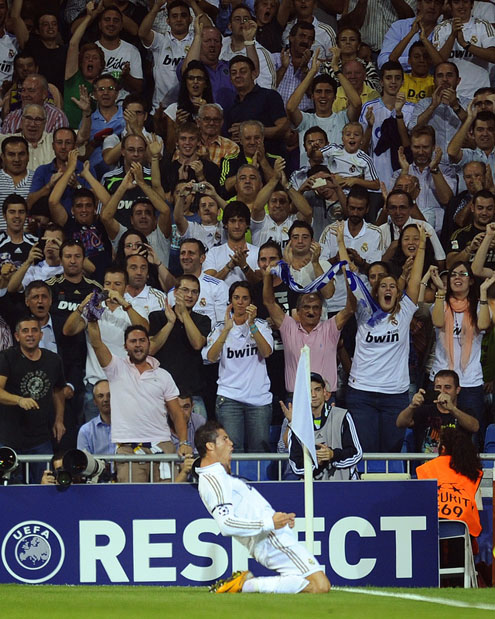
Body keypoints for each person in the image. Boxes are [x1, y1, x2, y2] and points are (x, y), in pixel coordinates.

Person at [195, 420, 331, 594]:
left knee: (313, 585)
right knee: (320, 586)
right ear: (210, 446)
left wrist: (277, 519)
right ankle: (245, 585)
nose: (231, 443)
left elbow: (247, 508)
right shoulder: (213, 479)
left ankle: (246, 584)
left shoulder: (220, 475)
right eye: (225, 439)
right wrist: (269, 523)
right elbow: (226, 524)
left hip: (271, 535)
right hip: (269, 538)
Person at [345, 224, 427, 453]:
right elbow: (349, 276)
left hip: (395, 396)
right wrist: (341, 245)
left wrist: (421, 247)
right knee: (365, 451)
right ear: (376, 290)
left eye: (392, 285)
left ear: (397, 292)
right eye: (383, 286)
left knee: (391, 451)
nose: (388, 289)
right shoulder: (363, 311)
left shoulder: (405, 311)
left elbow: (416, 279)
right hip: (362, 394)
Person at [87, 321, 193, 483]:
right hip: (128, 449)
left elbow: (176, 413)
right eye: (133, 341)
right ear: (125, 346)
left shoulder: (163, 375)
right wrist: (92, 320)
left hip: (162, 447)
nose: (138, 345)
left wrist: (184, 442)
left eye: (142, 340)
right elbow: (96, 343)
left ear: (149, 343)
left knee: (166, 501)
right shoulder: (115, 368)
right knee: (132, 503)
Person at [62, 265, 148, 422]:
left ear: (126, 287)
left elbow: (145, 330)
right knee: (95, 436)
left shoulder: (134, 308)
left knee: (126, 438)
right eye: (108, 284)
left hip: (125, 385)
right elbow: (68, 330)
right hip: (95, 386)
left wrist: (124, 304)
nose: (111, 288)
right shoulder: (94, 309)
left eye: (117, 284)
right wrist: (82, 306)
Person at [203, 281, 273, 452]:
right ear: (230, 301)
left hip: (258, 399)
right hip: (229, 398)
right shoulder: (220, 328)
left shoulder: (261, 325)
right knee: (231, 451)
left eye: (245, 298)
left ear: (251, 302)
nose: (240, 302)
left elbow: (267, 352)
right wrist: (226, 330)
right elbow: (211, 357)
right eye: (236, 298)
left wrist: (252, 325)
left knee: (260, 451)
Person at [429, 261, 494, 432]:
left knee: (470, 435)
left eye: (463, 274)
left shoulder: (481, 306)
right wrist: (440, 292)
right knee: (436, 434)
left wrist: (483, 292)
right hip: (440, 380)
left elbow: (484, 324)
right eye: (453, 274)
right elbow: (437, 322)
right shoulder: (440, 303)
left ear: (471, 281)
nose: (458, 277)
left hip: (470, 382)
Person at [0, 317, 65, 484]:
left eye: (34, 330)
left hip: (40, 438)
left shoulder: (53, 360)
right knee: (10, 491)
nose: (30, 335)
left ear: (41, 335)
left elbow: (58, 391)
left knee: (45, 486)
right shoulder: (6, 358)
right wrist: (19, 400)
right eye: (25, 331)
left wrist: (59, 420)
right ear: (16, 336)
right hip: (9, 438)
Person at [287, 49, 361, 167]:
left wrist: (336, 69)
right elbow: (290, 108)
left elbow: (357, 103)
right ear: (312, 96)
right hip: (310, 180)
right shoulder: (306, 120)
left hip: (338, 180)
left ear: (335, 96)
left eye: (328, 92)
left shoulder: (343, 118)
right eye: (318, 92)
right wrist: (312, 72)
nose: (323, 96)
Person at [149, 274, 211, 416]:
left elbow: (197, 344)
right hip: (162, 394)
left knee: (198, 437)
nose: (189, 295)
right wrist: (170, 323)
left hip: (193, 394)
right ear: (175, 292)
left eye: (194, 292)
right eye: (185, 290)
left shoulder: (203, 320)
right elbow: (151, 349)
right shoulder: (157, 317)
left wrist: (184, 314)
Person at [287, 372, 362, 480]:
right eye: (309, 391)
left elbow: (356, 453)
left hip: (345, 485)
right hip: (313, 490)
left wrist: (332, 455)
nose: (313, 395)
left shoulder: (342, 416)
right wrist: (315, 462)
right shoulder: (297, 424)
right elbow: (296, 466)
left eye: (317, 390)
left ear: (324, 392)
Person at [416, 427, 482, 538]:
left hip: (432, 531)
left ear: (443, 448)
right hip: (464, 531)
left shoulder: (425, 468)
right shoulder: (472, 471)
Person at [390, 126, 456, 233]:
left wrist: (434, 169)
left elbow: (447, 200)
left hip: (437, 232)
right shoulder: (399, 173)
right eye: (416, 147)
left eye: (425, 147)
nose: (420, 152)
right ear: (410, 147)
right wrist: (405, 172)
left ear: (433, 147)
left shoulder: (446, 171)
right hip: (405, 230)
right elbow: (393, 203)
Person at [397, 369, 479, 453]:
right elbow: (400, 423)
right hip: (429, 463)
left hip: (456, 463)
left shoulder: (464, 411)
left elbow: (474, 427)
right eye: (438, 387)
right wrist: (412, 406)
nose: (442, 391)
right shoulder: (424, 411)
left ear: (457, 390)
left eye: (447, 387)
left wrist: (452, 409)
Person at [139, 0, 194, 113]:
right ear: (168, 21)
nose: (179, 19)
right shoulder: (161, 40)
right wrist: (156, 7)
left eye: (183, 15)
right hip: (161, 109)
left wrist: (193, 3)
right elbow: (142, 33)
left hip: (190, 106)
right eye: (174, 16)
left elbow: (212, 31)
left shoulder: (196, 40)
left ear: (190, 19)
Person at [432, 0, 495, 100]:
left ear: (472, 4)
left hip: (479, 93)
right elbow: (438, 62)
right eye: (456, 2)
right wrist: (453, 35)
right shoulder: (441, 28)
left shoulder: (483, 26)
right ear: (450, 6)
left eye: (465, 2)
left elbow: (493, 56)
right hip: (449, 92)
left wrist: (465, 44)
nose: (461, 6)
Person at [408, 62, 468, 165]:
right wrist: (432, 106)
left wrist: (455, 106)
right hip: (434, 165)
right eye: (440, 75)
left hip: (463, 165)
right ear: (434, 80)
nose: (445, 79)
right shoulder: (424, 104)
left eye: (449, 75)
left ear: (458, 80)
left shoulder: (468, 104)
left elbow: (475, 129)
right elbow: (412, 129)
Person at [203, 201, 259, 286]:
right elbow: (208, 285)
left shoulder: (258, 252)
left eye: (241, 221)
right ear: (226, 224)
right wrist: (229, 266)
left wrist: (244, 266)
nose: (237, 226)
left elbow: (261, 285)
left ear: (247, 224)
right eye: (233, 221)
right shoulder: (213, 253)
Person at [1, 74, 69, 135]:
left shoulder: (57, 117)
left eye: (31, 91)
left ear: (44, 94)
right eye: (23, 90)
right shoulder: (11, 118)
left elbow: (61, 146)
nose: (25, 95)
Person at [0, 137, 33, 229]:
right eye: (11, 154)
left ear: (28, 156)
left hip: (30, 239)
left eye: (21, 154)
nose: (17, 159)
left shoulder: (37, 179)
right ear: (3, 157)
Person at [77, 379, 115, 456]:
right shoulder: (85, 431)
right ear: (94, 401)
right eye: (100, 396)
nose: (105, 399)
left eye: (109, 395)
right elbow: (84, 464)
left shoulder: (127, 427)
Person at [0, 194, 36, 266]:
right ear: (4, 216)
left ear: (26, 215)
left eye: (21, 212)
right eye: (12, 212)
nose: (17, 216)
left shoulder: (36, 243)